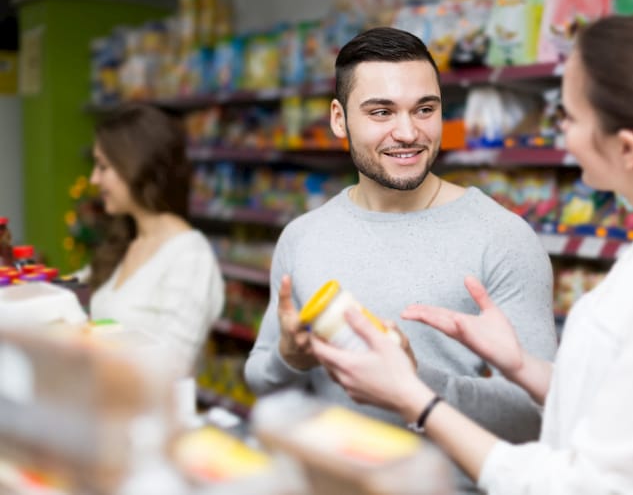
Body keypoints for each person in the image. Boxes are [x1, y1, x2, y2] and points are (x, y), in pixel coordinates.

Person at [311, 15, 633, 495]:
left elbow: (590, 486)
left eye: (567, 118)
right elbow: (626, 413)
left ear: (627, 147)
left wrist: (415, 401)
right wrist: (518, 365)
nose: (561, 135)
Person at [244, 27, 558, 493]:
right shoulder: (302, 237)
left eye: (424, 110)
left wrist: (411, 382)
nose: (408, 132)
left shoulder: (502, 238)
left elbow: (535, 418)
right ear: (339, 118)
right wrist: (289, 359)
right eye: (381, 112)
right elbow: (262, 381)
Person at [84, 103, 225, 377]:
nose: (93, 179)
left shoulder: (190, 257)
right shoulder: (127, 242)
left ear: (135, 164)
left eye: (102, 167)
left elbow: (172, 368)